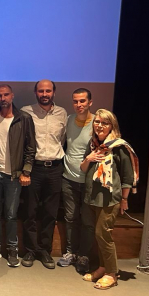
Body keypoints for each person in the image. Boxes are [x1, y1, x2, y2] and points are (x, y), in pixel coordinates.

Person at [80, 109, 138, 290]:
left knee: (103, 234)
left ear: (112, 125)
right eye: (97, 122)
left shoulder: (119, 147)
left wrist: (125, 200)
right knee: (98, 235)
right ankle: (103, 267)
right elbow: (83, 169)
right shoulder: (93, 144)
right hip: (93, 197)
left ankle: (112, 273)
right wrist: (89, 158)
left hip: (110, 198)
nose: (99, 125)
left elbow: (127, 177)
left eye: (104, 123)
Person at [0, 84, 35, 267]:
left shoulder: (24, 118)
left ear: (12, 96)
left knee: (11, 214)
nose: (2, 98)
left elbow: (30, 148)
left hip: (14, 176)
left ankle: (13, 250)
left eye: (6, 95)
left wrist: (26, 171)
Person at [20, 80, 67, 269]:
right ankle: (30, 250)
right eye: (41, 91)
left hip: (55, 167)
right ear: (35, 92)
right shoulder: (26, 112)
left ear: (54, 92)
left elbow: (62, 140)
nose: (44, 94)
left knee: (50, 212)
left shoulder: (62, 113)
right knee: (30, 211)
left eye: (48, 91)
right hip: (34, 168)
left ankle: (45, 250)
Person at [58, 88, 94, 272]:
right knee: (70, 218)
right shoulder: (69, 119)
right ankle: (70, 252)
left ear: (90, 102)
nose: (79, 105)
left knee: (87, 221)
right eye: (75, 101)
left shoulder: (98, 123)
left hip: (88, 181)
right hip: (68, 178)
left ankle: (84, 255)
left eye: (82, 101)